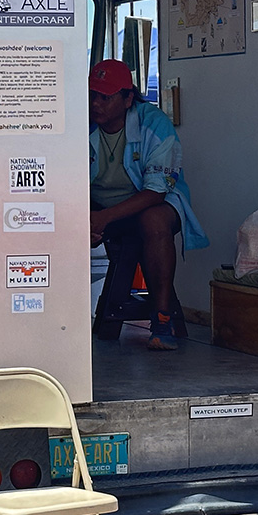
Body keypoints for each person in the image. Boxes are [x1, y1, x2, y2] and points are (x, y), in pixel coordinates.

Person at [88, 59, 206, 350]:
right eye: (92, 95)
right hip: (99, 206)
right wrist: (83, 217)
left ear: (129, 98)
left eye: (105, 97)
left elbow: (155, 192)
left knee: (152, 220)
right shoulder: (79, 123)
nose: (96, 104)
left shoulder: (154, 123)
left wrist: (102, 219)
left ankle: (162, 319)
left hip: (151, 205)